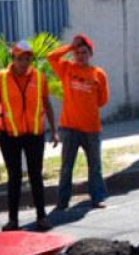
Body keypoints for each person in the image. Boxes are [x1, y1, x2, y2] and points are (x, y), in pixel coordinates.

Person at [0, 40, 58, 231]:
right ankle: (13, 220)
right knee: (14, 177)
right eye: (20, 59)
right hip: (9, 136)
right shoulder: (1, 78)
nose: (24, 62)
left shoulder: (39, 77)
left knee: (35, 176)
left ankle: (41, 217)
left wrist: (55, 131)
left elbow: (47, 105)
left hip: (34, 135)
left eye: (28, 58)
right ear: (13, 58)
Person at [47, 34, 109, 210]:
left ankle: (97, 198)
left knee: (95, 166)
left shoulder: (98, 74)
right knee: (67, 167)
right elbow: (51, 57)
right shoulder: (66, 68)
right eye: (77, 52)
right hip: (69, 127)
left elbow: (102, 100)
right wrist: (69, 47)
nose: (80, 56)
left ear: (90, 54)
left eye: (84, 52)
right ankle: (62, 201)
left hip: (92, 128)